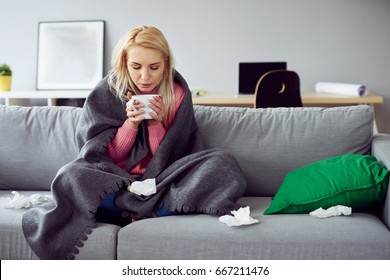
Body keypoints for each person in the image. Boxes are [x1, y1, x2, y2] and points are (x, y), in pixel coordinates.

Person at [22, 26, 246, 260]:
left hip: (163, 179)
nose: (145, 77)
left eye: (154, 67)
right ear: (124, 63)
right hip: (116, 178)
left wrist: (154, 124)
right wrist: (130, 124)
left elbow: (173, 156)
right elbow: (102, 155)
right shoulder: (107, 91)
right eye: (136, 67)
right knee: (70, 175)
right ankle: (153, 210)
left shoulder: (178, 92)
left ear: (166, 63)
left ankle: (129, 210)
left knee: (224, 164)